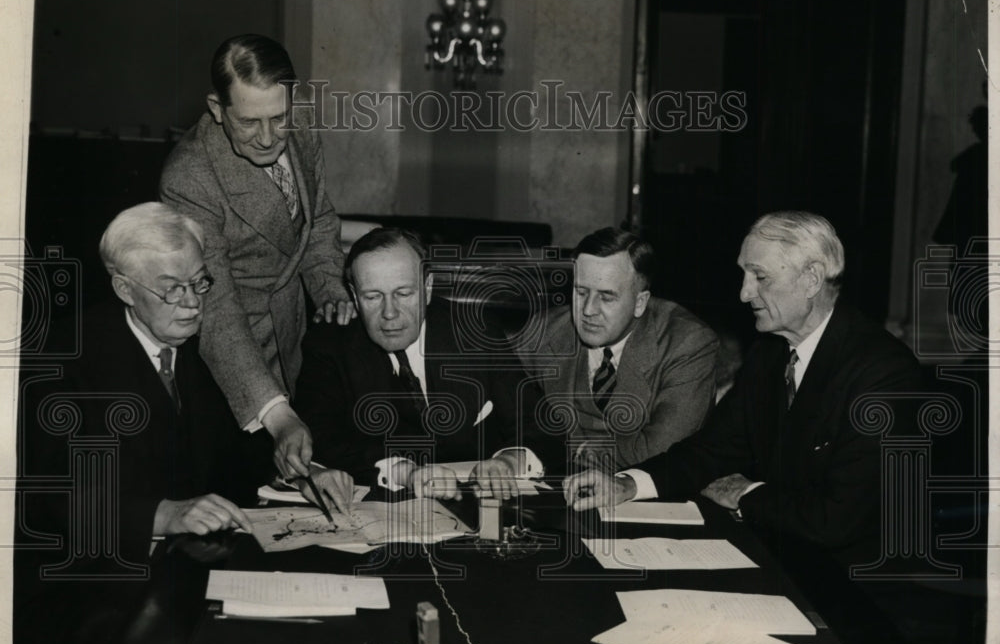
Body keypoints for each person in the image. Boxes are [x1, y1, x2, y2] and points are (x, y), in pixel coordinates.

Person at [565, 211, 921, 568]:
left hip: (855, 585)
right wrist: (628, 485)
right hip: (782, 552)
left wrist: (746, 494)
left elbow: (837, 520)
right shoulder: (770, 353)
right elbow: (712, 449)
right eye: (744, 275)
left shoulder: (884, 374)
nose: (744, 292)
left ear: (811, 279)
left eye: (760, 277)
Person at [14, 202, 273, 644]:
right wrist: (164, 514)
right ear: (124, 288)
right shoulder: (63, 360)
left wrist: (300, 468)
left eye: (199, 282)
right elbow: (48, 498)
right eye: (173, 289)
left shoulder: (181, 343)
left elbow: (222, 454)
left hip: (174, 567)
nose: (193, 303)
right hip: (82, 585)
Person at [160, 34, 352, 481]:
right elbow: (218, 308)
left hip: (295, 341)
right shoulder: (189, 178)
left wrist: (329, 289)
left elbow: (317, 217)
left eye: (278, 118)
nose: (269, 138)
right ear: (216, 108)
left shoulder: (296, 127)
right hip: (229, 370)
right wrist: (277, 415)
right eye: (248, 123)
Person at [295, 227, 564, 502]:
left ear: (428, 287)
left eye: (403, 293)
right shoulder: (330, 345)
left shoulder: (475, 331)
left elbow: (541, 424)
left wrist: (509, 462)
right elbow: (317, 443)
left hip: (480, 514)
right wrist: (402, 472)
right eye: (373, 297)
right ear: (353, 295)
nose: (389, 313)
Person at [523, 227, 718, 469]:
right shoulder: (544, 332)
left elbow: (666, 449)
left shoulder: (687, 344)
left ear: (640, 303)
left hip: (647, 493)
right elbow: (506, 419)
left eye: (606, 297)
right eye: (581, 292)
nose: (588, 310)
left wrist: (577, 450)